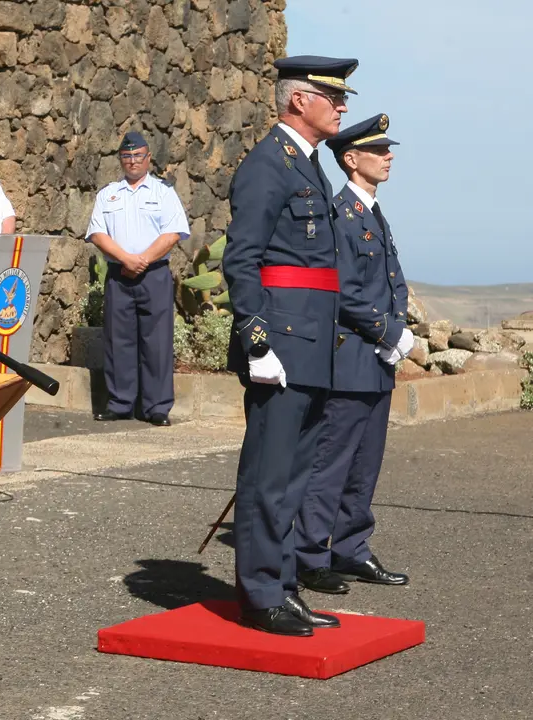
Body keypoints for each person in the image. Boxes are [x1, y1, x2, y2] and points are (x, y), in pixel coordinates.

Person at [223, 55, 357, 636]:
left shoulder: (307, 164)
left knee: (295, 477)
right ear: (299, 100)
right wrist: (257, 344)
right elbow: (242, 260)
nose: (344, 106)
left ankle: (281, 585)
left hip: (310, 345)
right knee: (268, 475)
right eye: (335, 96)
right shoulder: (267, 165)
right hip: (280, 343)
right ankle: (259, 593)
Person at [296, 114, 414, 595]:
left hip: (376, 361)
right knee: (332, 463)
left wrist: (398, 330)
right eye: (379, 150)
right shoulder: (339, 212)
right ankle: (309, 556)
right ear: (351, 158)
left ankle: (351, 548)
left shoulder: (372, 211)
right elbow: (341, 290)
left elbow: (392, 280)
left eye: (388, 149)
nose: (389, 156)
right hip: (348, 360)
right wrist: (388, 333)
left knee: (366, 464)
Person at [85, 131, 189, 427]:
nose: (132, 162)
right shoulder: (108, 194)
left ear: (148, 158)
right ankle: (120, 403)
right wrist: (126, 259)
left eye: (138, 156)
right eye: (127, 157)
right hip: (119, 274)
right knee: (119, 340)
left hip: (153, 274)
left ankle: (156, 406)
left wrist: (142, 260)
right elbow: (97, 233)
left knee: (156, 341)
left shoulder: (163, 192)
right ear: (121, 160)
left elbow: (173, 233)